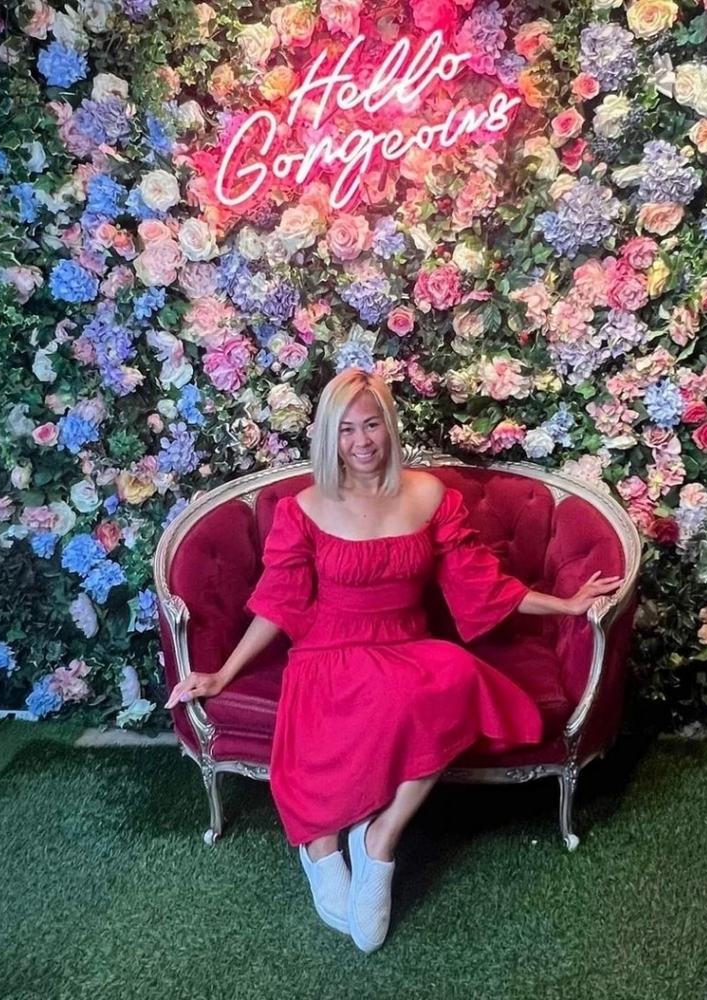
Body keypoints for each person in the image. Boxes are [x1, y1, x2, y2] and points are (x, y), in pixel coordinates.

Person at [165, 369, 622, 953]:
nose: (361, 441)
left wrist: (565, 604)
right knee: (377, 702)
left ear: (390, 426)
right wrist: (224, 672)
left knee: (453, 678)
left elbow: (481, 583)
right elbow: (279, 603)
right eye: (347, 429)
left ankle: (379, 839)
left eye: (372, 424)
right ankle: (321, 845)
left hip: (406, 643)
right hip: (329, 650)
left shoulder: (430, 495)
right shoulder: (304, 508)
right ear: (330, 438)